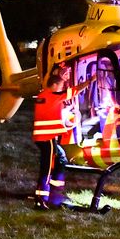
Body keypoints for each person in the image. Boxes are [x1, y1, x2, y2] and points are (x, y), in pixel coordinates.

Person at [32, 71, 92, 210]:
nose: (61, 89)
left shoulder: (42, 96)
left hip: (43, 138)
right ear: (53, 85)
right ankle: (41, 199)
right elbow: (75, 91)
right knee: (47, 168)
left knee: (61, 159)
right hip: (47, 138)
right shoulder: (53, 96)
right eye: (60, 86)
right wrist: (90, 81)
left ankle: (55, 195)